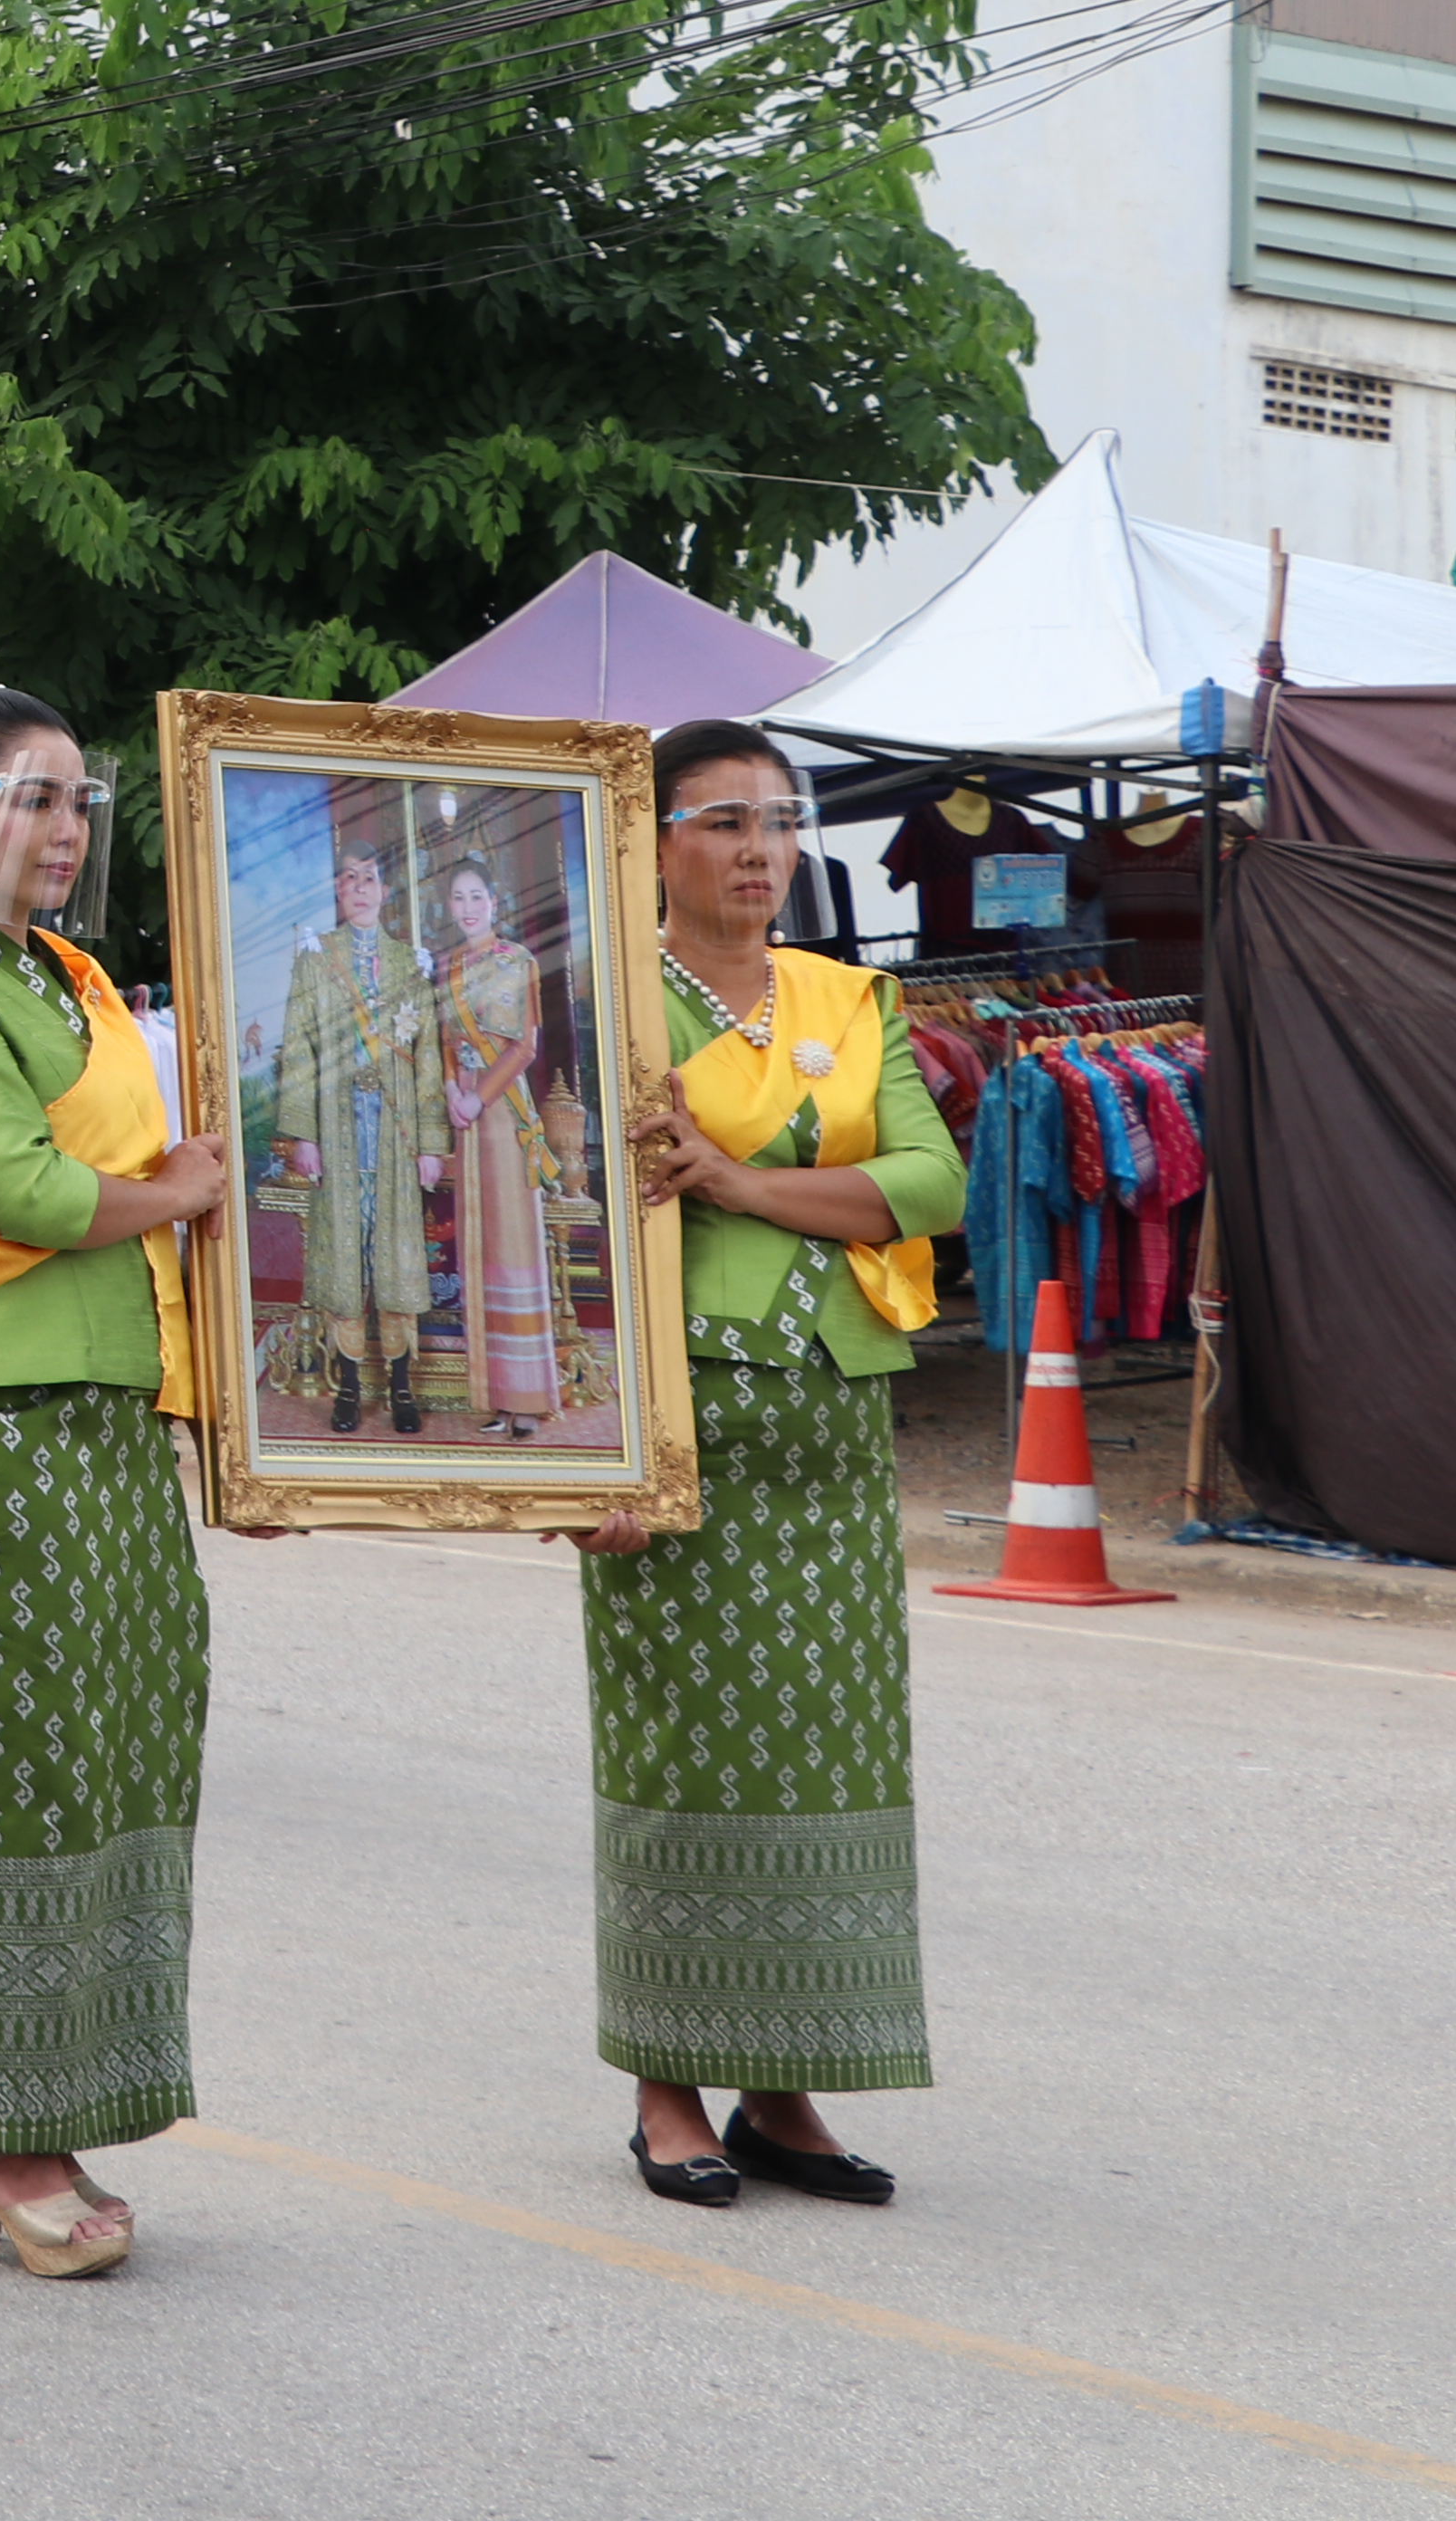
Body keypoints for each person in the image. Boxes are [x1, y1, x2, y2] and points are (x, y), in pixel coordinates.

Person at [0, 684, 239, 2278]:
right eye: (34, 797)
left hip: (112, 1399)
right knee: (15, 1753)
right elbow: (14, 1186)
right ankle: (2, 2133)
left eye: (83, 802)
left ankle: (66, 2103)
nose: (69, 829)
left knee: (122, 1743)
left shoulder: (75, 978)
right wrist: (175, 1190)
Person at [572, 718, 963, 2213]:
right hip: (678, 1422)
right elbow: (579, 1231)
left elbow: (929, 1181)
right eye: (724, 821)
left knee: (824, 1752)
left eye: (779, 824)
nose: (758, 851)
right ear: (655, 841)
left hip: (829, 1420)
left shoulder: (849, 996)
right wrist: (588, 1452)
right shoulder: (608, 1008)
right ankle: (669, 2089)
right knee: (682, 1752)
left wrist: (737, 1181)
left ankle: (782, 2085)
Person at [270, 843, 448, 1438]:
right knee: (344, 1259)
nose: (360, 888)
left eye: (369, 879)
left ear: (385, 890)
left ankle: (401, 1389)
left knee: (397, 1259)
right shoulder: (316, 961)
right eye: (348, 879)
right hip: (339, 1128)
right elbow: (298, 1047)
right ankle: (347, 1386)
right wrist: (303, 1133)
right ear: (339, 893)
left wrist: (430, 1144)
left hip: (395, 1135)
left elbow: (428, 1062)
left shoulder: (411, 964)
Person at [436, 857, 560, 1437]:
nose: (468, 907)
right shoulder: (448, 966)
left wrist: (476, 1098)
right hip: (464, 1117)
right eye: (458, 897)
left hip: (502, 1114)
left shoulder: (517, 961)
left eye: (476, 896)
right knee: (479, 1253)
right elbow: (444, 1039)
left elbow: (524, 1048)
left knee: (513, 1248)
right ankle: (493, 1396)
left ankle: (529, 1400)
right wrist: (448, 1089)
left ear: (495, 900)